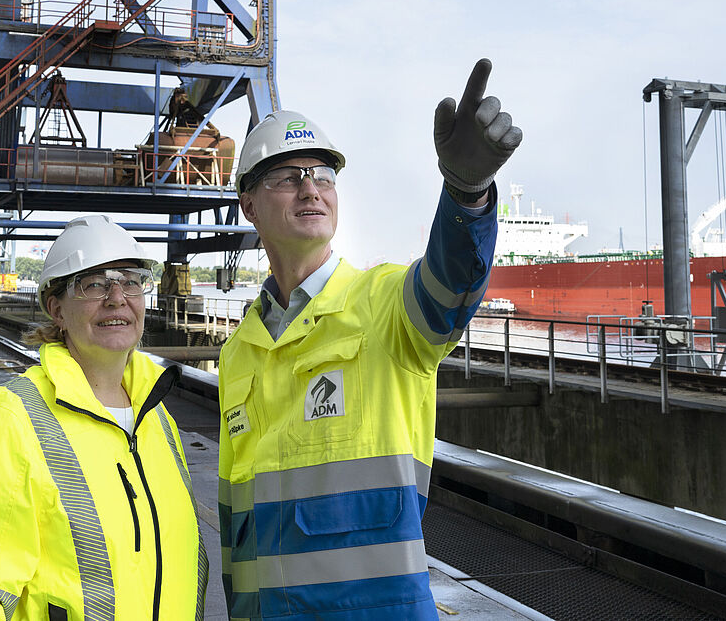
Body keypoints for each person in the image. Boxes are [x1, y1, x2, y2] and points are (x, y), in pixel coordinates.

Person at [218, 58, 522, 620]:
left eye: (323, 175)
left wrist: (466, 193)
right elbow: (236, 519)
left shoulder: (382, 306)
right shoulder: (240, 352)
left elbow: (448, 287)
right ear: (249, 205)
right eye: (288, 177)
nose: (311, 188)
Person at [0, 213, 208, 620]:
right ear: (56, 308)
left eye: (130, 280)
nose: (116, 297)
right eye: (93, 283)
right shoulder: (8, 417)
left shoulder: (158, 420)